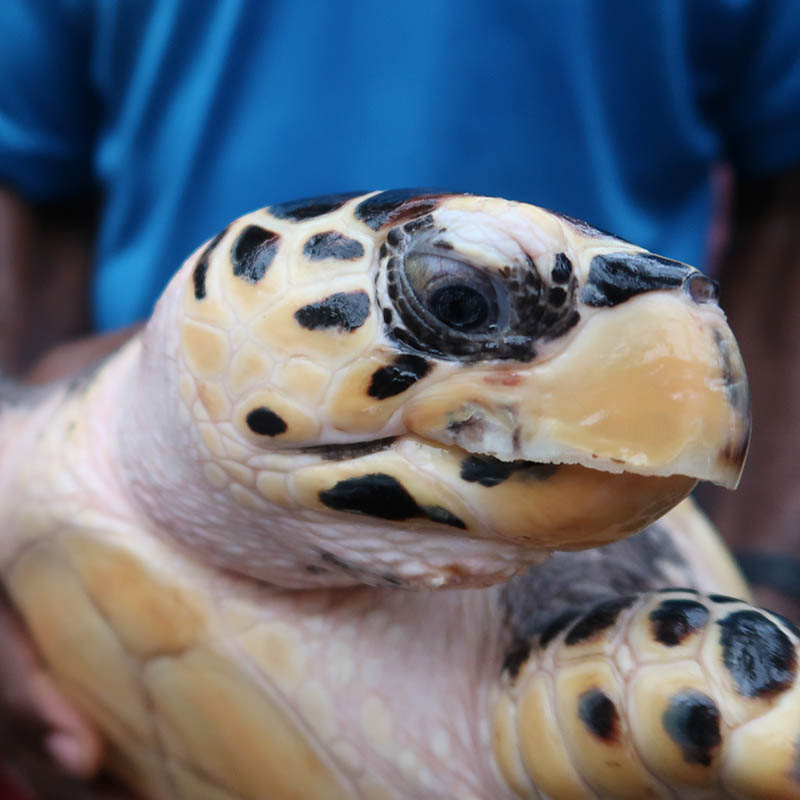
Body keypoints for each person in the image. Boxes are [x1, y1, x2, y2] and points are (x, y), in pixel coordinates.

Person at [1, 1, 800, 795]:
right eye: (452, 305)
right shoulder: (37, 453)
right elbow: (26, 166)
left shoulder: (618, 677)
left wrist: (768, 579)